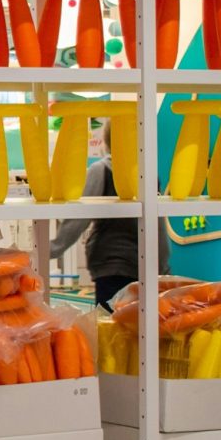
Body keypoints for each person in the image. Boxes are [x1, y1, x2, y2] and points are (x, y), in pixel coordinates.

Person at [50, 122, 170, 310]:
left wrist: (53, 248)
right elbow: (159, 225)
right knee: (138, 326)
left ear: (106, 142)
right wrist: (162, 264)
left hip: (110, 263)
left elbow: (79, 217)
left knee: (111, 325)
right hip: (141, 264)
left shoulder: (101, 170)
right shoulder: (147, 175)